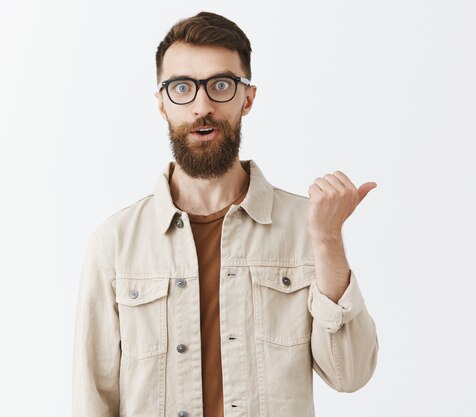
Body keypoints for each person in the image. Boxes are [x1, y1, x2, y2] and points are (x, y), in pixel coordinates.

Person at [72, 11, 378, 417]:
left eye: (221, 85)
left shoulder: (307, 227)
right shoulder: (114, 243)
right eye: (182, 87)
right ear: (162, 103)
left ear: (247, 98)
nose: (202, 106)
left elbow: (350, 374)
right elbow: (93, 398)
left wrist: (327, 240)